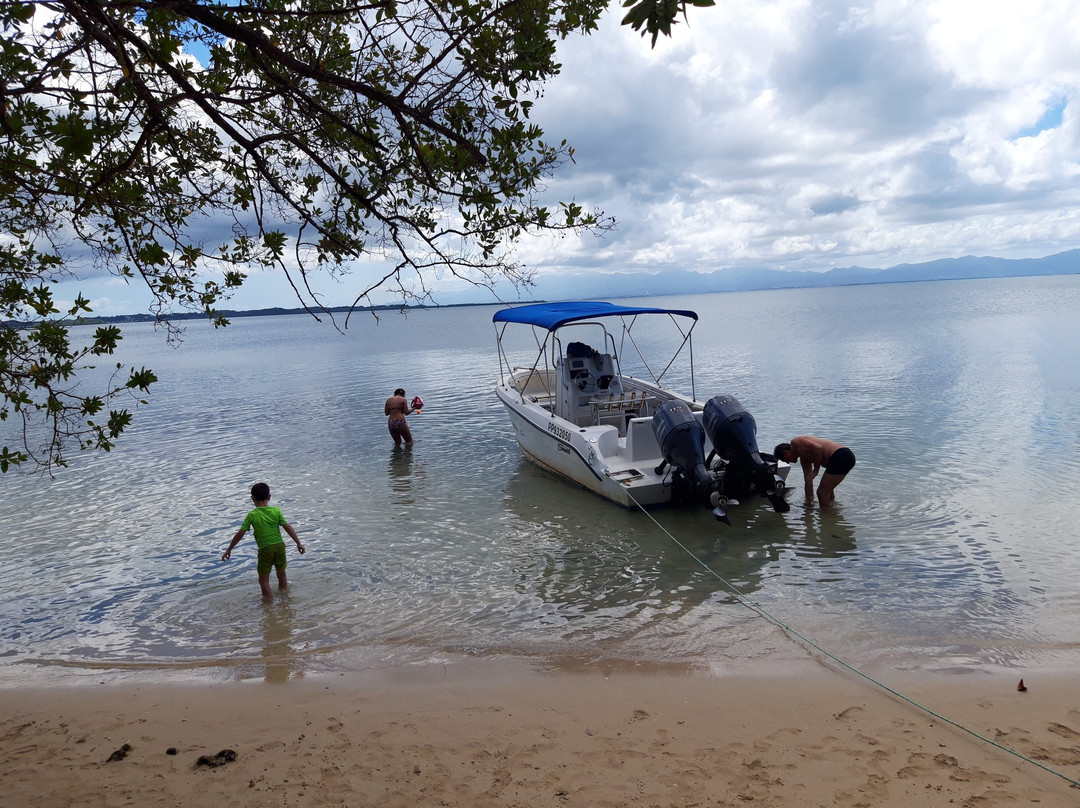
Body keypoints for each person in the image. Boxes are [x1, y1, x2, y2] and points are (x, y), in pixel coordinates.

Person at [222, 482, 305, 598]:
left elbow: (240, 533)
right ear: (269, 497)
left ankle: (268, 605)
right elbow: (288, 527)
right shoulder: (276, 511)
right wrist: (299, 543)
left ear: (252, 498)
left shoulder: (252, 515)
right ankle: (284, 599)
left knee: (263, 581)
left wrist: (229, 549)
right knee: (282, 575)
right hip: (280, 546)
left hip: (265, 549)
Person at [773, 436, 855, 509]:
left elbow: (818, 448)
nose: (787, 463)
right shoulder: (804, 459)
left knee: (821, 493)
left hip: (841, 455)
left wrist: (816, 470)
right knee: (827, 491)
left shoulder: (796, 442)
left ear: (785, 453)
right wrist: (809, 502)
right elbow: (808, 480)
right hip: (843, 458)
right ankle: (831, 514)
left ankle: (826, 518)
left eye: (785, 460)